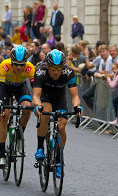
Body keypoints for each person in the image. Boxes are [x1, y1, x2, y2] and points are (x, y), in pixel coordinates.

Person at [33, 49, 82, 178]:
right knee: (46, 111)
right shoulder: (40, 71)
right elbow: (36, 95)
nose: (56, 72)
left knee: (61, 126)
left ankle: (59, 160)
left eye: (59, 68)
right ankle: (40, 148)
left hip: (60, 99)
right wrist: (38, 106)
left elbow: (75, 95)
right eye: (53, 68)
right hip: (45, 97)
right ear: (48, 65)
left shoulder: (68, 72)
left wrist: (77, 106)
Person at [0, 45, 35, 167]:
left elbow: (36, 88)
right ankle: (2, 154)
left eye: (22, 64)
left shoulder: (30, 68)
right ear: (12, 62)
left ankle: (19, 136)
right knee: (4, 115)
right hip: (6, 88)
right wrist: (1, 103)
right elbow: (0, 87)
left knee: (27, 108)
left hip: (20, 88)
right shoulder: (5, 65)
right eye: (16, 64)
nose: (19, 67)